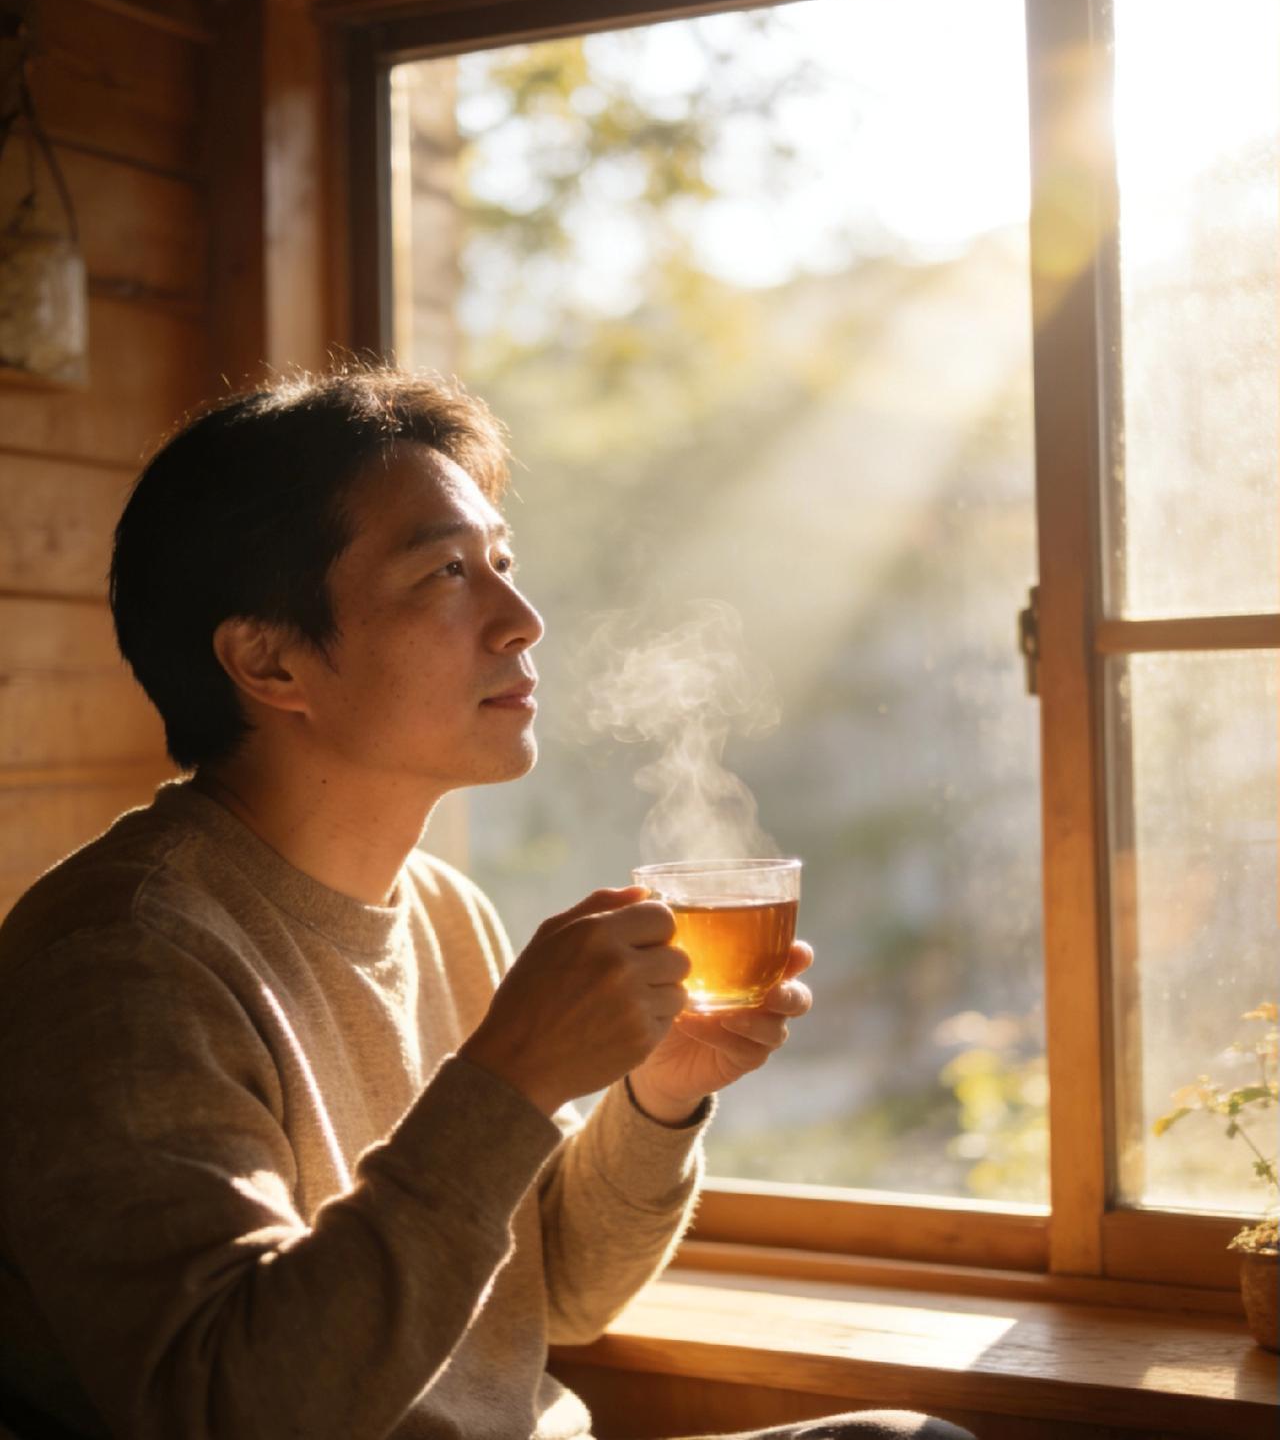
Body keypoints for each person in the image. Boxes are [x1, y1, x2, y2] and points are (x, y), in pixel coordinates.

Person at [0, 365, 974, 1440]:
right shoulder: (123, 964)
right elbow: (232, 1407)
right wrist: (508, 1076)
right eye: (446, 573)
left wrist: (655, 1097)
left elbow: (551, 1294)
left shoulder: (440, 908)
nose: (522, 619)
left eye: (502, 562)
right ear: (270, 659)